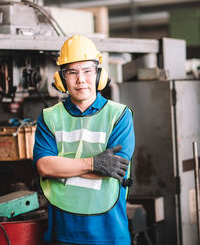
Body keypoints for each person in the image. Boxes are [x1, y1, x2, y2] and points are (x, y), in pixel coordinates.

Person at [33, 35, 135, 245]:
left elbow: (114, 169)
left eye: (87, 71)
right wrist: (93, 163)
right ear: (61, 78)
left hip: (109, 233)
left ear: (99, 75)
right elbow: (44, 166)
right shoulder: (49, 117)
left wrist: (62, 167)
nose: (80, 79)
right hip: (63, 233)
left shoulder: (119, 115)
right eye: (72, 72)